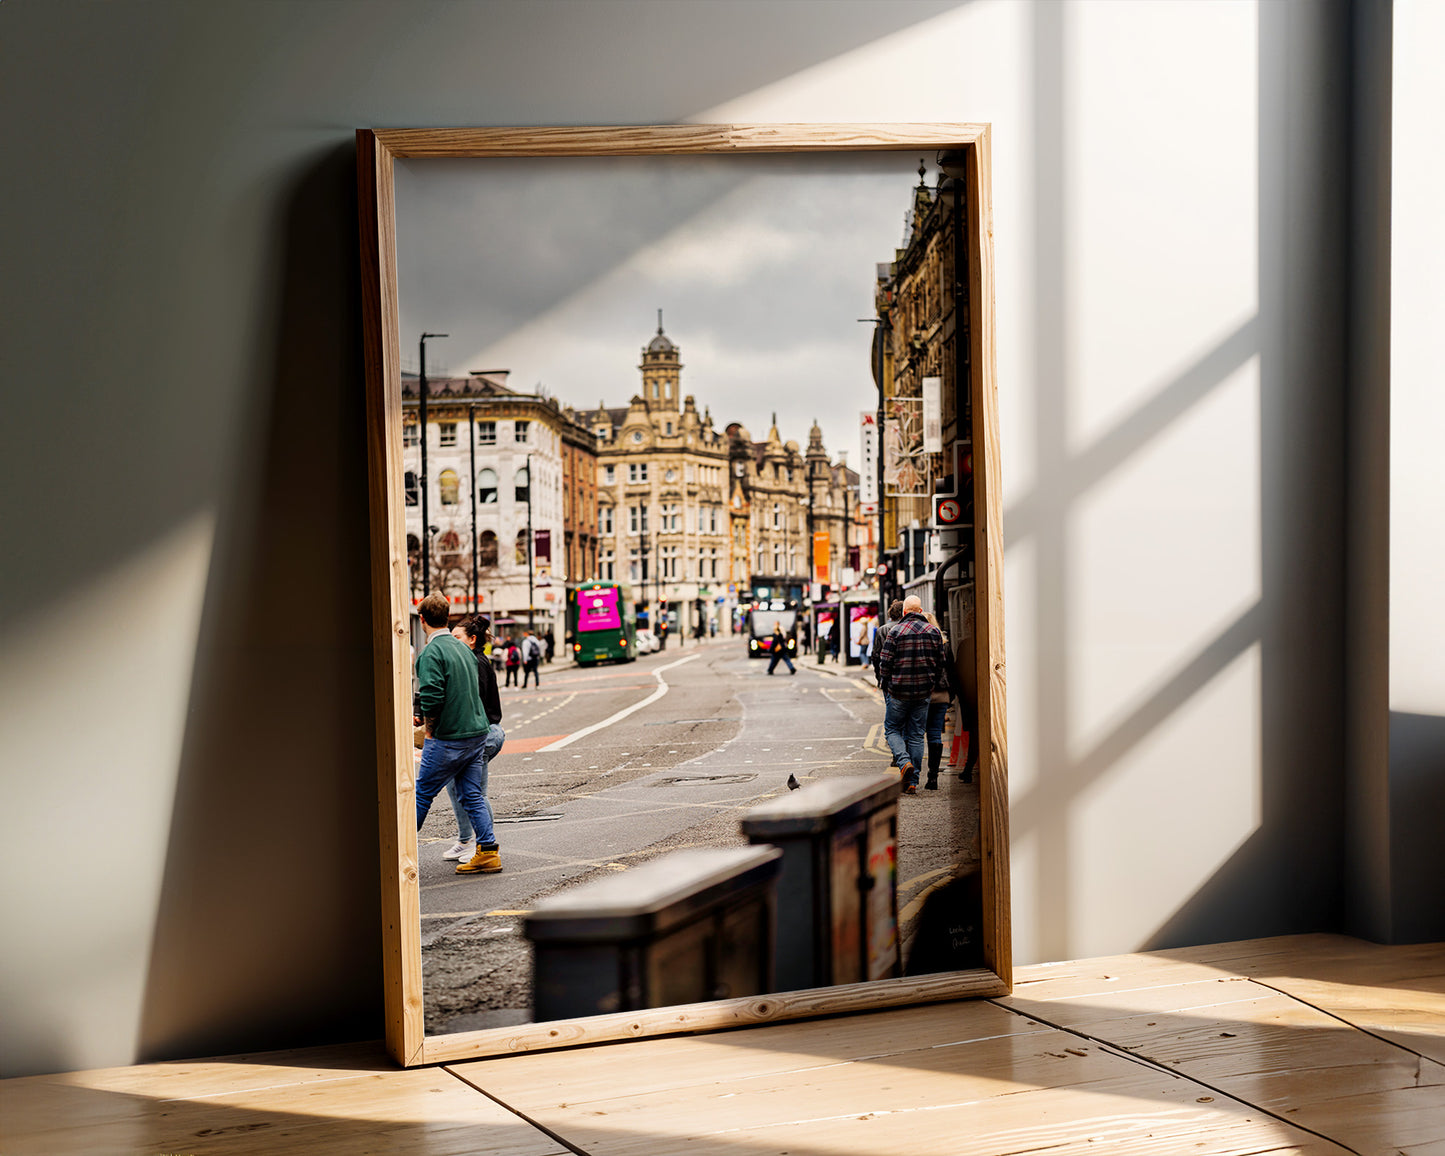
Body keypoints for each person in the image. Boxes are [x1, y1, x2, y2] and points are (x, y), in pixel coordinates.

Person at [413, 594, 501, 874]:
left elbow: (432, 696)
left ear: (422, 619)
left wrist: (429, 732)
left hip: (449, 736)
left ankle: (397, 853)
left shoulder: (431, 652)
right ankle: (487, 851)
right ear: (448, 617)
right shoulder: (464, 649)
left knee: (422, 794)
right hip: (477, 733)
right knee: (472, 794)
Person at [444, 616, 507, 860]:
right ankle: (466, 840)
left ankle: (484, 845)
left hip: (484, 734)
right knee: (456, 786)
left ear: (472, 640)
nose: (452, 642)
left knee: (473, 792)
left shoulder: (476, 663)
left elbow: (474, 705)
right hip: (480, 732)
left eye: (456, 638)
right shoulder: (469, 660)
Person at [876, 595, 948, 795]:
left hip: (899, 692)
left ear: (905, 612)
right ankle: (912, 781)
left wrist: (888, 683)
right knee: (917, 735)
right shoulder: (933, 632)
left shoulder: (896, 631)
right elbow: (940, 663)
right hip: (923, 692)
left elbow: (885, 663)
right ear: (920, 610)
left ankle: (904, 761)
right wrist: (930, 682)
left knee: (892, 729)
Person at [922, 611, 955, 791]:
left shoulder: (920, 644)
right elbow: (951, 670)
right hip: (941, 694)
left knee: (917, 734)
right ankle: (932, 777)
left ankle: (912, 778)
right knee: (935, 734)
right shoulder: (944, 644)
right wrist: (952, 695)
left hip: (923, 694)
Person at [872, 600, 905, 768]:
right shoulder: (910, 627)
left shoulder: (883, 630)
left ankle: (897, 755)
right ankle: (905, 756)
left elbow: (876, 656)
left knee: (893, 720)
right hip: (908, 680)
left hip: (889, 681)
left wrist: (880, 678)